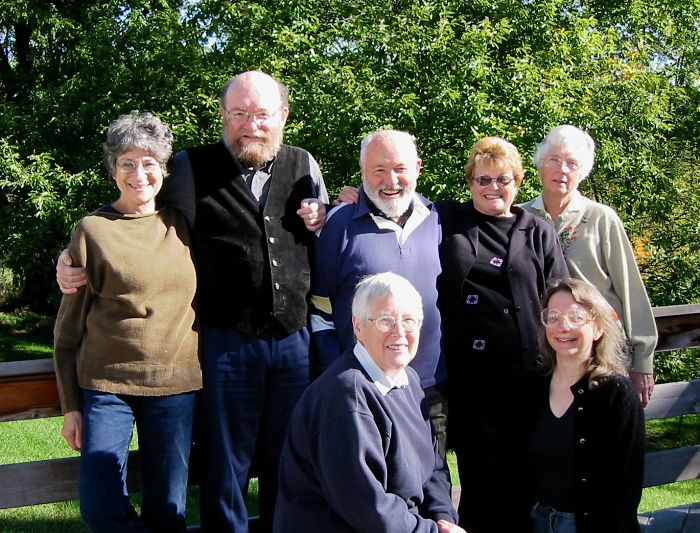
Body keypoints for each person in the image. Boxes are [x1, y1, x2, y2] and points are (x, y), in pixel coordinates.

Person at [56, 71, 329, 533]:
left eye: (262, 114)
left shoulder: (304, 165)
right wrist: (68, 256)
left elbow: (326, 231)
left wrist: (330, 212)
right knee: (226, 467)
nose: (251, 125)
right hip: (224, 341)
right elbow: (137, 206)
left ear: (282, 116)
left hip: (292, 339)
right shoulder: (188, 167)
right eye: (239, 113)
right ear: (223, 115)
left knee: (291, 458)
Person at [53, 111, 201, 532]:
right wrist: (71, 407)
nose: (139, 174)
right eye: (127, 163)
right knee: (99, 507)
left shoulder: (186, 226)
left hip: (176, 386)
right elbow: (67, 330)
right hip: (106, 388)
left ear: (164, 169)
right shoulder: (93, 230)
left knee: (168, 511)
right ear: (113, 170)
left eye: (150, 162)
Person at [436, 136, 569, 532]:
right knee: (479, 484)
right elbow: (396, 201)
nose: (493, 187)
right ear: (470, 182)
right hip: (471, 381)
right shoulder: (447, 219)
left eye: (503, 179)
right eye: (483, 179)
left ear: (519, 182)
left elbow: (560, 293)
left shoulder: (537, 230)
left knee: (525, 480)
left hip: (528, 379)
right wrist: (354, 198)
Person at [275, 272, 464, 533]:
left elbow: (434, 467)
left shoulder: (407, 378)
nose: (400, 332)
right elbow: (368, 509)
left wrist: (443, 518)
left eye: (409, 321)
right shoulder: (346, 398)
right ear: (358, 326)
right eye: (386, 321)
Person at [309, 129, 449, 456]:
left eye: (400, 168)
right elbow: (320, 310)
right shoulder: (337, 225)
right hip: (363, 388)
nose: (391, 180)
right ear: (362, 173)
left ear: (418, 167)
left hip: (430, 387)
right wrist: (338, 371)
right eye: (379, 170)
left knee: (432, 482)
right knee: (369, 489)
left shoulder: (439, 221)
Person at [520, 125, 657, 406]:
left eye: (572, 163)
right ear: (539, 166)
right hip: (544, 352)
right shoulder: (520, 217)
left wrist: (643, 358)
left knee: (604, 437)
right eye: (554, 160)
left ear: (582, 172)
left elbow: (630, 288)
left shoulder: (600, 218)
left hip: (600, 352)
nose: (563, 169)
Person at [526, 277, 644, 532]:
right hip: (535, 521)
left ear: (599, 327)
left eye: (576, 317)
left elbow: (625, 489)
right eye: (553, 316)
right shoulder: (532, 386)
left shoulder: (617, 394)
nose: (563, 326)